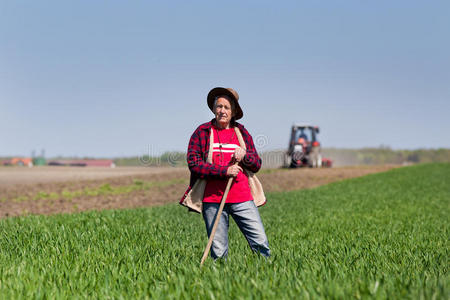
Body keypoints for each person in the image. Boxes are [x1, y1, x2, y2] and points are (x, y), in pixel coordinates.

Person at [183, 87, 270, 260]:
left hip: (242, 197)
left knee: (260, 243)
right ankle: (221, 284)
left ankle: (265, 278)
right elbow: (194, 163)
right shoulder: (203, 132)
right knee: (219, 251)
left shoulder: (242, 133)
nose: (222, 111)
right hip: (212, 200)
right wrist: (224, 171)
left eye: (226, 107)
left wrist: (244, 156)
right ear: (214, 109)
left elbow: (257, 164)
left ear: (234, 111)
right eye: (219, 106)